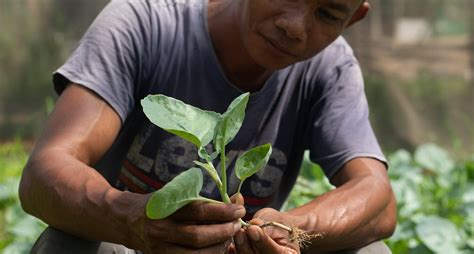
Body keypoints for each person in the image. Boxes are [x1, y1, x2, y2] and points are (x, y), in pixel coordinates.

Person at [19, 0, 397, 253]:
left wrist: (293, 229)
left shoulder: (329, 68)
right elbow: (44, 174)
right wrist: (134, 220)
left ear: (353, 18)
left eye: (329, 14)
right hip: (129, 248)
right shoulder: (147, 21)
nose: (295, 26)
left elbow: (378, 199)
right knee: (67, 246)